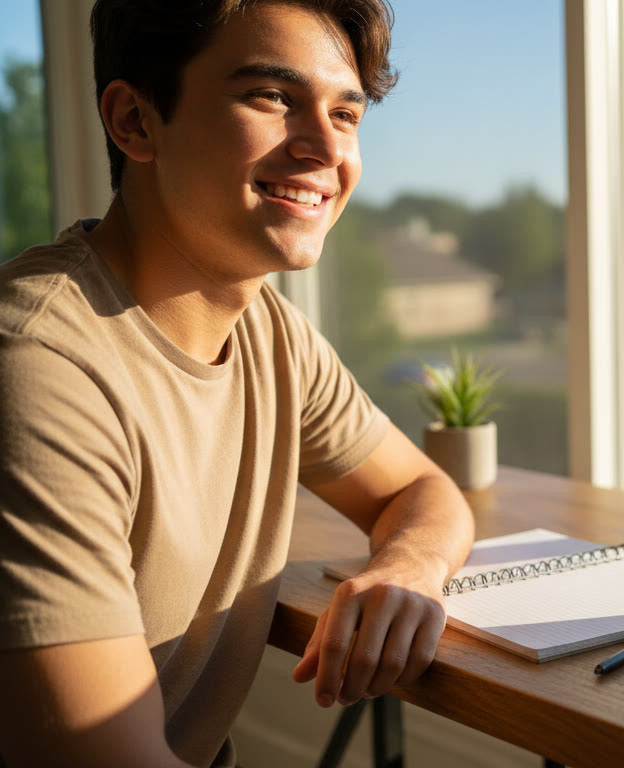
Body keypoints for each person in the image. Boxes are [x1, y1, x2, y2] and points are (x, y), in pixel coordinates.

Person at [0, 1, 475, 765]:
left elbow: (421, 492)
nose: (326, 149)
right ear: (134, 122)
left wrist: (406, 568)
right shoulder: (38, 369)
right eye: (272, 97)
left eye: (346, 113)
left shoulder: (271, 335)